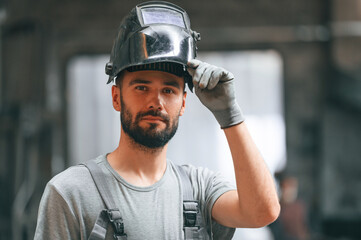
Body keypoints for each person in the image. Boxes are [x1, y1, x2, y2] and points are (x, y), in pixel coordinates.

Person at [34, 1, 280, 239]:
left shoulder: (200, 189)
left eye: (169, 90)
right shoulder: (71, 193)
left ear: (183, 103)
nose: (156, 101)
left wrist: (230, 115)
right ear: (116, 97)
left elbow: (262, 212)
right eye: (141, 87)